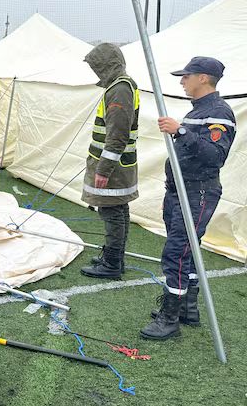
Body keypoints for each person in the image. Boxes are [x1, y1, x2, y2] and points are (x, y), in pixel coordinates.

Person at [141, 57, 236, 340]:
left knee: (177, 252)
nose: (182, 81)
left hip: (197, 191)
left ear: (203, 78)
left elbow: (215, 156)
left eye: (186, 76)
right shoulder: (199, 110)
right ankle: (187, 309)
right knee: (187, 250)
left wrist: (180, 131)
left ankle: (170, 319)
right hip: (180, 190)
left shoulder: (219, 112)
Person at [79, 43, 140, 279]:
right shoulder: (122, 85)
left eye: (97, 66)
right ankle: (115, 258)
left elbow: (117, 135)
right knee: (118, 210)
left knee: (112, 212)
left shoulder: (120, 89)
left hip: (114, 168)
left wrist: (103, 169)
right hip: (120, 165)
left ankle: (112, 263)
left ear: (105, 65)